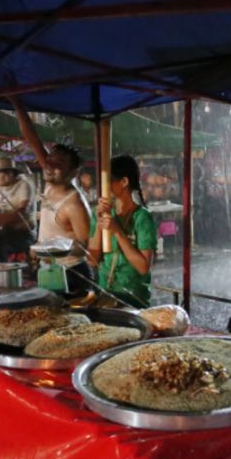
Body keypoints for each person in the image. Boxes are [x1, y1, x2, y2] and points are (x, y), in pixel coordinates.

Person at [10, 96, 92, 293]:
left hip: (72, 275)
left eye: (59, 163)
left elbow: (86, 246)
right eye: (50, 159)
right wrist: (17, 104)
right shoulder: (51, 178)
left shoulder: (74, 204)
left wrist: (55, 250)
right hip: (49, 270)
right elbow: (32, 138)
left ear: (73, 173)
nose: (50, 165)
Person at [88, 155, 157, 308]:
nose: (102, 188)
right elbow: (92, 260)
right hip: (105, 294)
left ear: (124, 182)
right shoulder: (98, 213)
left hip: (133, 298)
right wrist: (99, 223)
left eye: (107, 182)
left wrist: (117, 231)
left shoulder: (142, 217)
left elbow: (143, 267)